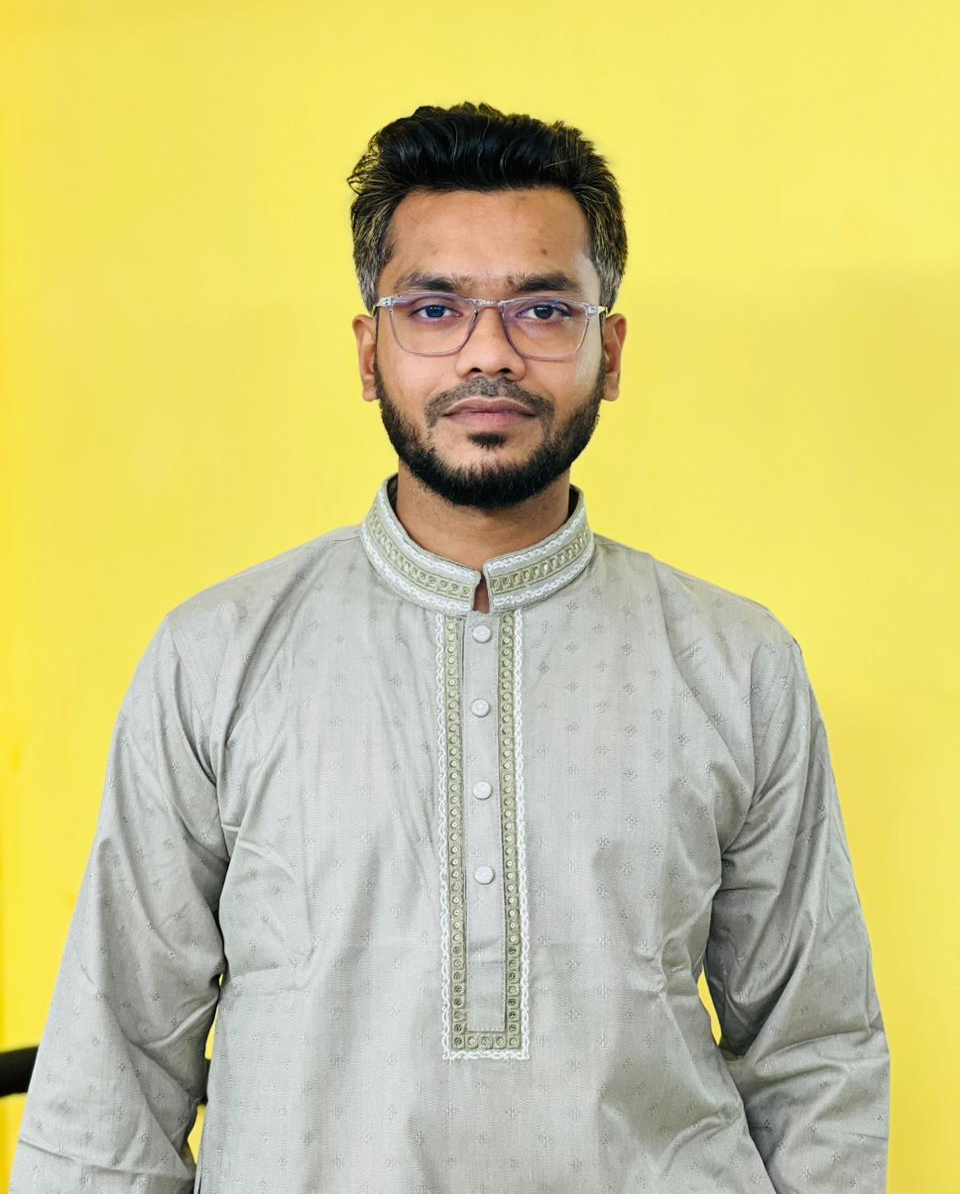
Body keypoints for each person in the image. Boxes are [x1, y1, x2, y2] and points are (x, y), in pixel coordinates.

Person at [11, 102, 890, 1193]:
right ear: (368, 351)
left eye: (543, 310)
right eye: (434, 308)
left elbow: (816, 1052)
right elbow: (116, 1060)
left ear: (609, 350)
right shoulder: (218, 657)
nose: (489, 353)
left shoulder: (735, 664)